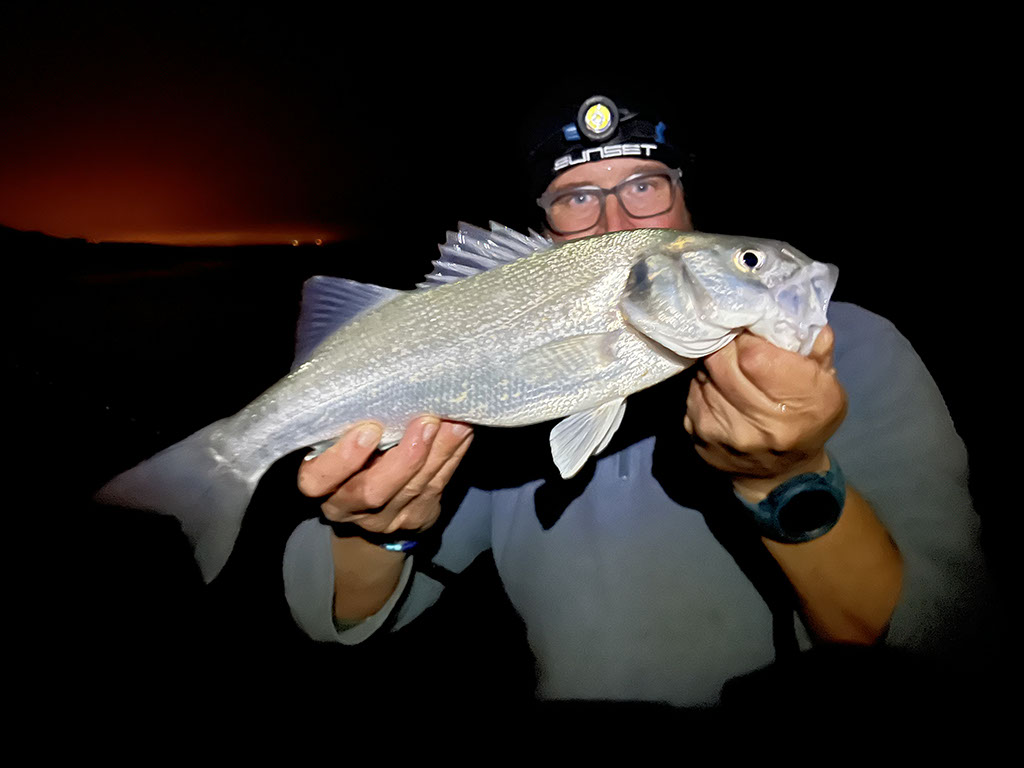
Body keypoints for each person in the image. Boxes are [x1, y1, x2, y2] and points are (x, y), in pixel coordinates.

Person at [280, 95, 991, 707]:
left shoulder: (861, 351)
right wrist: (381, 528)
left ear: (686, 196)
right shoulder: (497, 375)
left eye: (644, 185)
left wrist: (787, 478)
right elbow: (344, 611)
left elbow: (947, 637)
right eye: (576, 197)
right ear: (547, 222)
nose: (616, 222)